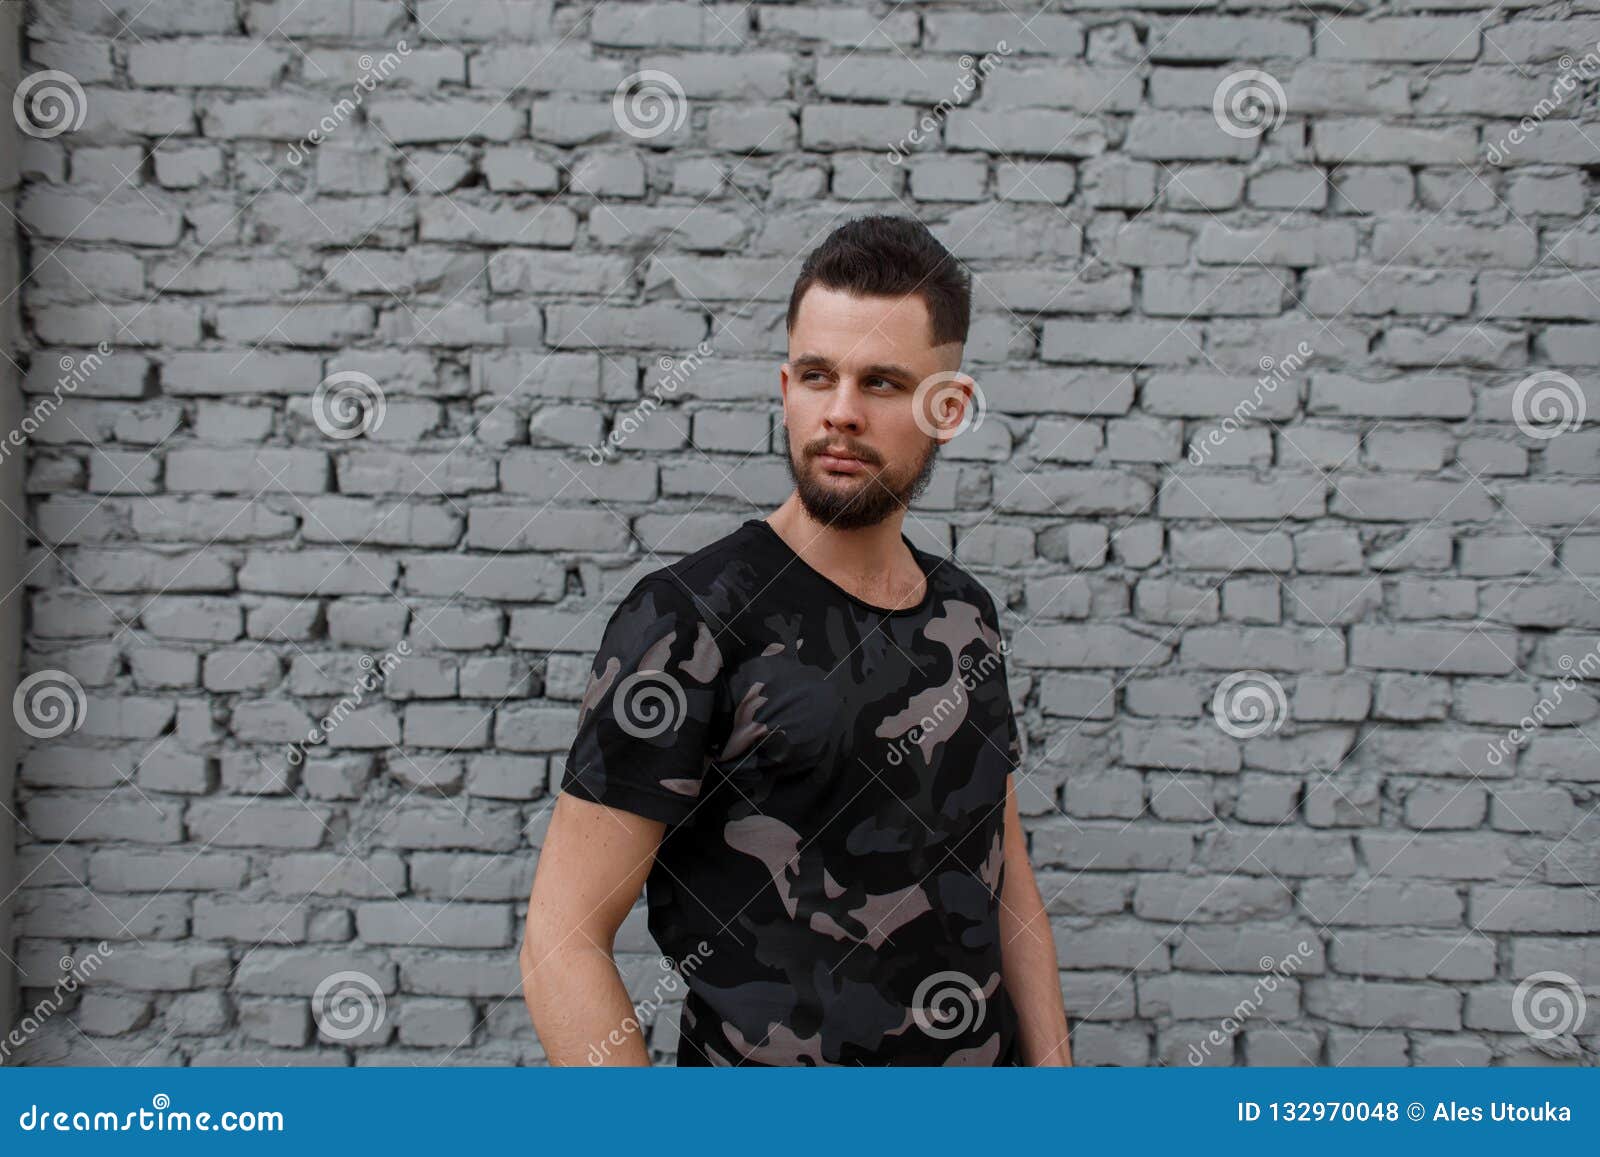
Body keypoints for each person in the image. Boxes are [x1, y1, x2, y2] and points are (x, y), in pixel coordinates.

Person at [519, 214, 1072, 1067]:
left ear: (948, 408)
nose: (840, 413)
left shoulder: (967, 615)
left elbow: (1008, 883)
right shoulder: (687, 621)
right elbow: (562, 939)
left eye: (882, 384)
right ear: (786, 386)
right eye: (818, 375)